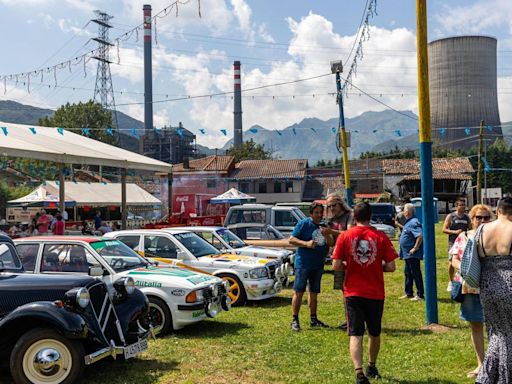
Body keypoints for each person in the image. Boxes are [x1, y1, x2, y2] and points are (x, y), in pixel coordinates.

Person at [332, 202, 398, 384]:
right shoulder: (381, 236)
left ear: (354, 216)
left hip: (353, 292)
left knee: (355, 333)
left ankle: (359, 372)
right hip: (375, 292)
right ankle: (372, 365)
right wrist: (377, 266)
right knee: (374, 333)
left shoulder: (344, 236)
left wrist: (349, 264)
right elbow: (392, 267)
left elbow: (336, 265)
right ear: (370, 216)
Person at [450, 204, 492, 379]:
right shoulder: (463, 236)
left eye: (486, 217)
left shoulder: (494, 236)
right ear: (472, 219)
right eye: (478, 217)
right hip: (469, 288)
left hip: (491, 287)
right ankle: (481, 364)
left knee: (496, 327)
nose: (482, 220)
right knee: (476, 325)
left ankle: (496, 363)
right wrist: (467, 270)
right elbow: (454, 260)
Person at [476, 197, 512, 384]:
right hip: (509, 285)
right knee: (509, 334)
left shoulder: (482, 229)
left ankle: (487, 377)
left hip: (487, 284)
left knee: (497, 333)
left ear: (497, 210)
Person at [289, 202, 334, 332]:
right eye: (317, 213)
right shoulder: (303, 224)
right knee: (299, 292)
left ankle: (313, 319)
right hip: (303, 264)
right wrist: (306, 243)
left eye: (321, 213)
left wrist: (326, 235)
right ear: (311, 213)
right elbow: (291, 240)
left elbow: (330, 243)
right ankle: (295, 319)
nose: (319, 215)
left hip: (317, 264)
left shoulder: (324, 225)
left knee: (314, 293)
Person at [322, 192, 353, 330]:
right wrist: (326, 235)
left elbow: (349, 233)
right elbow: (330, 242)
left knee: (353, 290)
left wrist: (331, 232)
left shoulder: (350, 215)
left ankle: (354, 319)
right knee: (343, 290)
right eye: (329, 206)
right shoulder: (331, 220)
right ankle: (349, 319)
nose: (332, 208)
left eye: (333, 205)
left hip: (351, 258)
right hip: (338, 258)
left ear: (340, 204)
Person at [443, 197, 470, 292]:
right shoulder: (451, 216)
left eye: (464, 205)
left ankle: (462, 280)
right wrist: (455, 232)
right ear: (456, 206)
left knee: (463, 262)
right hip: (453, 242)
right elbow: (444, 229)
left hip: (464, 242)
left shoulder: (467, 217)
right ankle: (451, 281)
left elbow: (470, 229)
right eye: (460, 205)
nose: (462, 207)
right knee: (451, 262)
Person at [399, 203, 424, 301]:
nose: (403, 212)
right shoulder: (408, 222)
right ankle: (408, 293)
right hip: (407, 254)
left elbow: (420, 235)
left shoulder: (414, 222)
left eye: (404, 210)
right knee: (408, 273)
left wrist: (415, 248)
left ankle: (420, 294)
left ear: (407, 212)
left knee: (415, 273)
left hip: (412, 254)